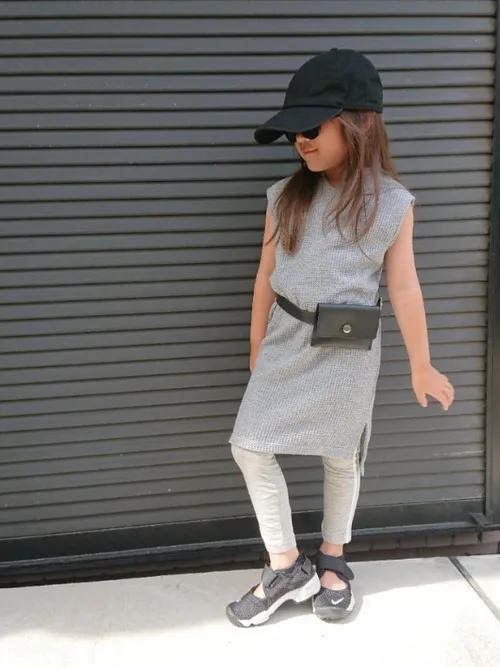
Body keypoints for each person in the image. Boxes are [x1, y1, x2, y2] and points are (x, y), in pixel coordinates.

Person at [226, 48, 455, 628]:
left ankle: (333, 561)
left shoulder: (392, 204)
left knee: (341, 456)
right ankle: (286, 565)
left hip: (348, 349)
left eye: (311, 128)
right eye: (293, 133)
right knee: (249, 445)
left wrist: (422, 364)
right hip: (285, 339)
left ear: (358, 124)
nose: (300, 141)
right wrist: (256, 343)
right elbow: (265, 274)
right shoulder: (285, 196)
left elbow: (404, 287)